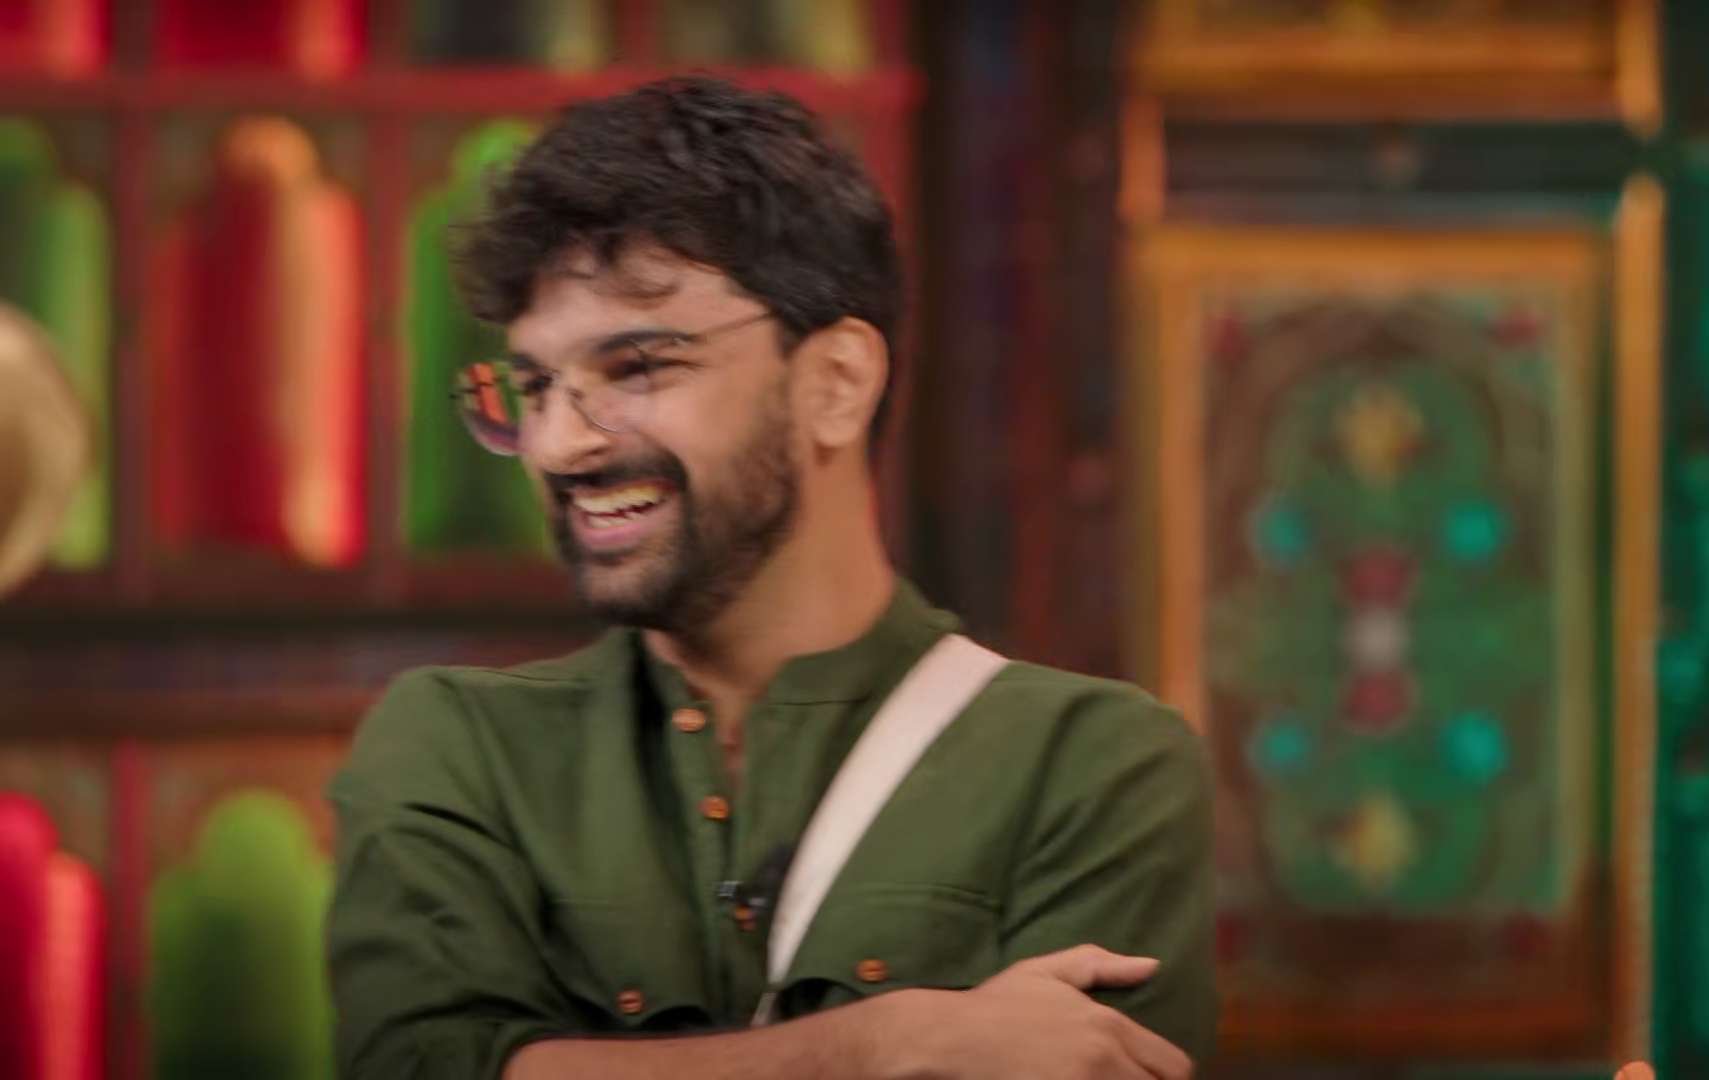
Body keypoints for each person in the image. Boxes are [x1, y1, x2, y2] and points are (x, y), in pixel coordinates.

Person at [325, 75, 1216, 1080]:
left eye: (639, 367)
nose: (560, 445)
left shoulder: (1089, 765)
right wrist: (886, 1043)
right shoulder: (458, 745)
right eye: (533, 386)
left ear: (834, 383)